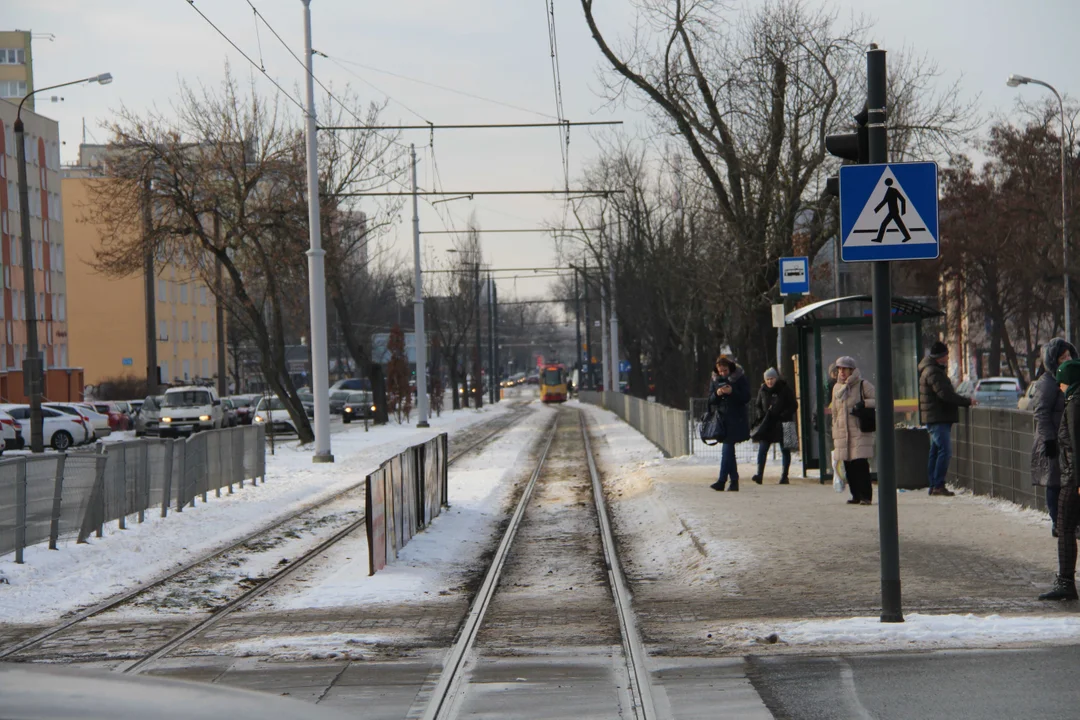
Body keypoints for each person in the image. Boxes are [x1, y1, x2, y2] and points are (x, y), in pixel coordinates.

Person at [1039, 359, 1080, 601]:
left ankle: (1066, 582)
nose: (1059, 387)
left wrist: (1077, 482)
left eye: (1062, 381)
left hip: (1073, 479)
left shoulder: (1075, 404)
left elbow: (1076, 445)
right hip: (1073, 477)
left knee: (1064, 526)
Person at [1031, 338, 1077, 537]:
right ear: (1053, 361)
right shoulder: (1048, 382)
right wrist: (1049, 440)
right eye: (1062, 357)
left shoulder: (1071, 379)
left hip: (1068, 440)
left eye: (1068, 355)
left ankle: (1066, 522)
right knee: (1054, 482)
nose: (1067, 359)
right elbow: (1041, 413)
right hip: (1053, 441)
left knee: (1068, 482)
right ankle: (1057, 522)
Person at [918, 341, 975, 497]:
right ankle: (938, 484)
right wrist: (967, 401)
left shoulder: (929, 370)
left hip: (935, 417)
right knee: (945, 450)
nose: (948, 357)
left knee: (935, 451)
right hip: (938, 417)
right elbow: (945, 394)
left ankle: (934, 484)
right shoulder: (934, 372)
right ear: (940, 357)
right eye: (946, 355)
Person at [831, 356, 875, 505]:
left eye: (844, 368)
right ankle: (855, 495)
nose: (841, 371)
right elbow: (835, 411)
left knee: (860, 464)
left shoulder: (863, 384)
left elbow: (879, 399)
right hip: (843, 432)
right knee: (848, 465)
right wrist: (835, 428)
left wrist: (863, 403)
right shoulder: (837, 388)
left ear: (851, 370)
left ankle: (865, 496)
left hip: (859, 430)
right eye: (839, 368)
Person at [709, 356, 751, 492]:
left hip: (736, 419)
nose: (722, 373)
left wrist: (732, 392)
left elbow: (746, 396)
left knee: (726, 450)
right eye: (720, 371)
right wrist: (717, 393)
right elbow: (710, 399)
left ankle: (722, 480)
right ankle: (734, 481)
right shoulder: (715, 379)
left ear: (730, 368)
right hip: (722, 420)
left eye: (725, 370)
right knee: (729, 452)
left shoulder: (739, 377)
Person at [751, 368, 798, 485]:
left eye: (771, 379)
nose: (769, 382)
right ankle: (759, 474)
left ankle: (784, 476)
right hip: (768, 423)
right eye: (767, 379)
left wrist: (783, 414)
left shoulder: (785, 389)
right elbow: (757, 405)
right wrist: (761, 414)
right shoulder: (762, 390)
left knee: (785, 450)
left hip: (784, 423)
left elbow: (793, 405)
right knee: (762, 449)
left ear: (776, 378)